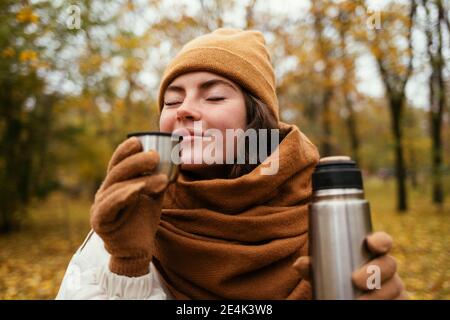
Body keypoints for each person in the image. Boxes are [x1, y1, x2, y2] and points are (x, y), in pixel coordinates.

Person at [56, 28, 407, 300]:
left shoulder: (327, 213)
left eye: (214, 96)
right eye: (171, 100)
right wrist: (126, 265)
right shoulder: (132, 215)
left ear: (256, 117)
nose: (184, 109)